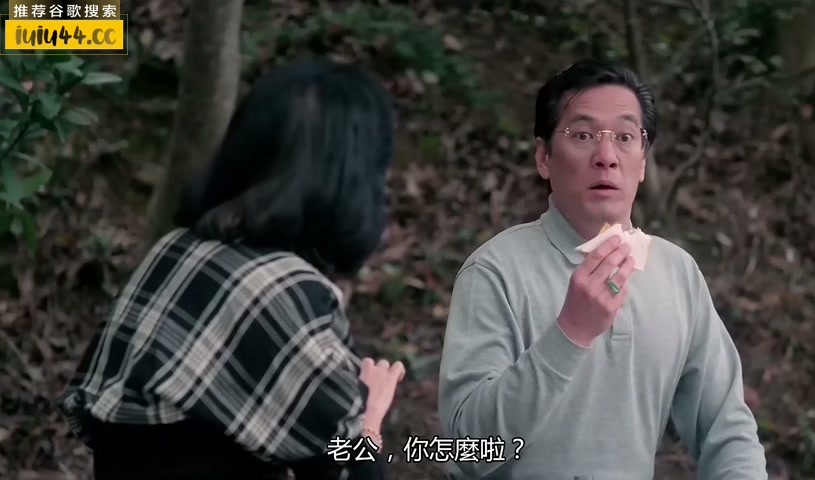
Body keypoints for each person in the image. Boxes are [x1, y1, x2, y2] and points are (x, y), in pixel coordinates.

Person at [59, 57, 405, 480]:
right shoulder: (282, 294)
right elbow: (352, 469)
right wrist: (371, 414)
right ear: (350, 184)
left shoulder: (174, 250)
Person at [437, 59, 767, 479]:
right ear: (543, 157)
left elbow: (728, 428)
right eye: (583, 135)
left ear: (643, 163)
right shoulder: (495, 271)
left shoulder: (676, 273)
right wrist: (570, 333)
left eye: (625, 137)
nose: (606, 157)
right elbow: (464, 449)